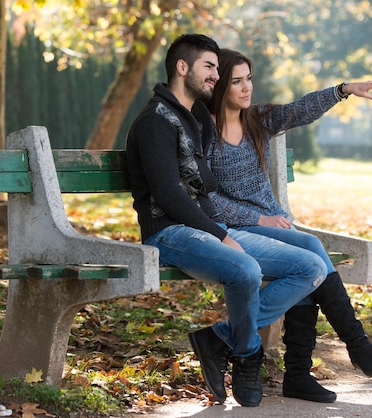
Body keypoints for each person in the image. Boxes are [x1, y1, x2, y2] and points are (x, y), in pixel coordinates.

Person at [125, 35, 328, 407]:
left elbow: (209, 185)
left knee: (312, 266)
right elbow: (169, 196)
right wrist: (220, 233)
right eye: (210, 67)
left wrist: (231, 225)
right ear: (181, 67)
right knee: (247, 271)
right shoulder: (154, 121)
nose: (216, 76)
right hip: (168, 233)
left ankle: (219, 338)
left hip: (208, 228)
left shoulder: (197, 117)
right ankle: (248, 355)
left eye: (219, 70)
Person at [207, 48, 372, 403]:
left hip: (272, 226)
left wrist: (344, 90)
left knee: (305, 253)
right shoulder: (204, 132)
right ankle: (354, 344)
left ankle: (299, 374)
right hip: (235, 230)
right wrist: (260, 217)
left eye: (249, 79)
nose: (246, 88)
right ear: (220, 87)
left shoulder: (256, 120)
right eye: (236, 81)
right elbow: (208, 198)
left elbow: (299, 110)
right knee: (308, 249)